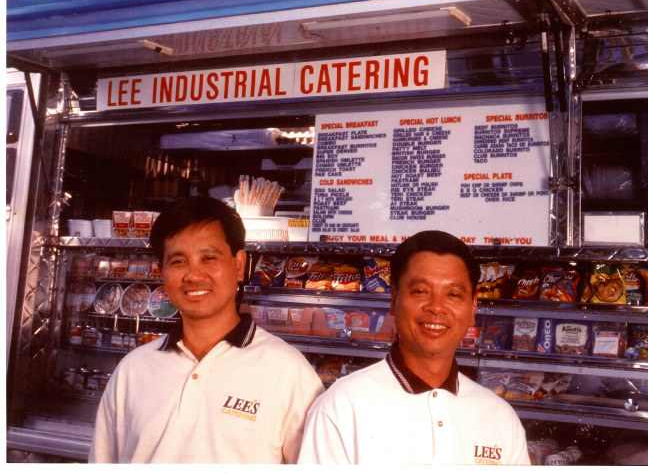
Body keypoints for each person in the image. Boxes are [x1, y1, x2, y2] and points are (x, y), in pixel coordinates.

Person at [89, 196, 324, 463]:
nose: (194, 275)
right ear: (161, 272)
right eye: (178, 261)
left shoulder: (289, 372)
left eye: (209, 258)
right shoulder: (132, 371)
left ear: (238, 265)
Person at [298, 230, 529, 465]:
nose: (436, 307)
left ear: (472, 309)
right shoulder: (341, 408)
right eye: (420, 291)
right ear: (394, 300)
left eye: (454, 294)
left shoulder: (501, 419)